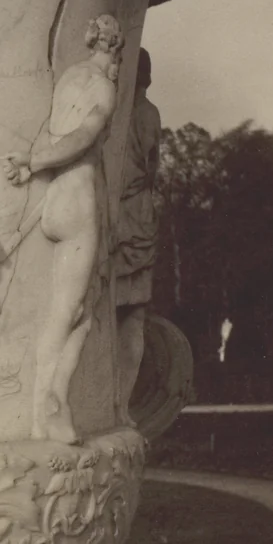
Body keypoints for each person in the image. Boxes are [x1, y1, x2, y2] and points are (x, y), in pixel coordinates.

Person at [4, 14, 123, 444]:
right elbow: (81, 138)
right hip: (79, 201)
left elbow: (55, 130)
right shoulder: (103, 87)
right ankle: (50, 407)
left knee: (76, 313)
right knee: (72, 313)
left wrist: (34, 162)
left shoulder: (69, 77)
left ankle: (51, 405)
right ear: (114, 50)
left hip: (56, 199)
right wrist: (32, 162)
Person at [114, 48, 161, 418]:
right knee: (134, 316)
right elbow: (151, 168)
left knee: (111, 313)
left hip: (120, 217)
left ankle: (109, 403)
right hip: (141, 216)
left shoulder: (119, 113)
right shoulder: (150, 113)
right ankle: (122, 404)